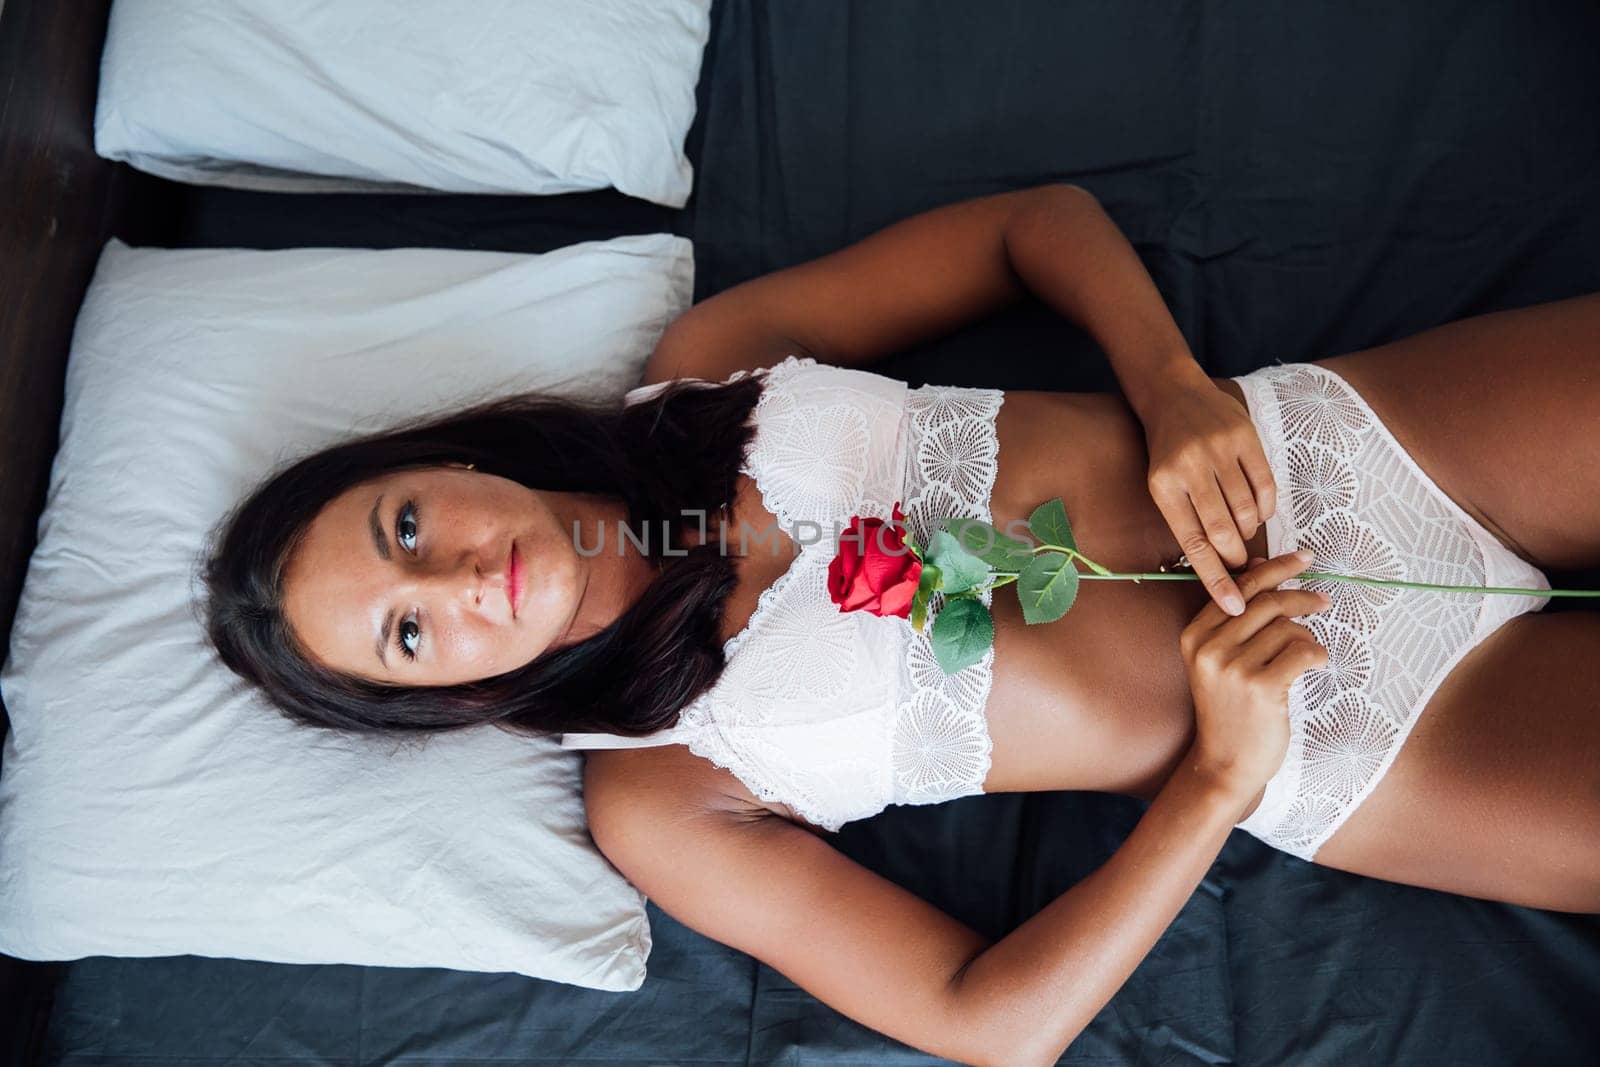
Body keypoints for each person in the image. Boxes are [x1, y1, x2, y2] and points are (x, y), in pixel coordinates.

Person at [203, 183, 1599, 1067]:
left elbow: (1028, 224)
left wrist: (1172, 387)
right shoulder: (664, 798)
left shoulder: (704, 370)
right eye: (406, 636)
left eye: (401, 527)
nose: (452, 582)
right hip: (1352, 733)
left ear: (438, 464)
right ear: (439, 700)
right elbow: (991, 1025)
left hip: (1347, 450)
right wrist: (1218, 779)